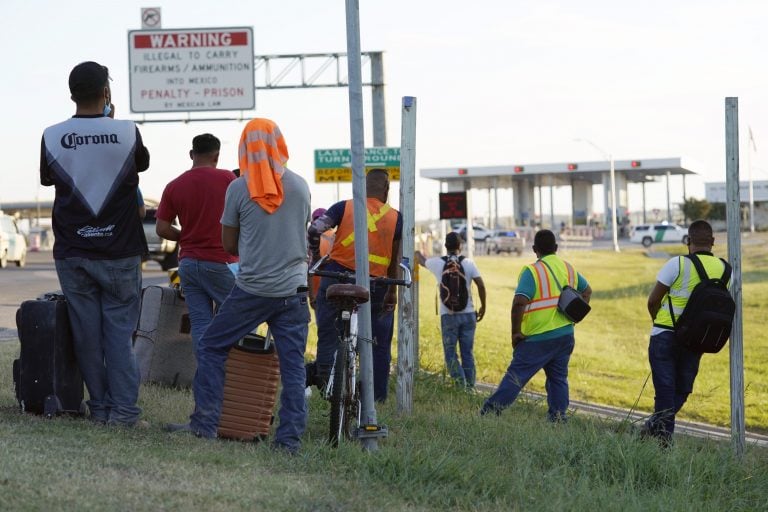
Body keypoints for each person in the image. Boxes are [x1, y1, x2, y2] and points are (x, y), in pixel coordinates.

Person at [166, 118, 311, 454]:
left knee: (213, 346)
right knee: (292, 367)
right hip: (293, 291)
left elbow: (229, 245)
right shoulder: (301, 186)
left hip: (252, 290)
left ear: (245, 148)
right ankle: (288, 441)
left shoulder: (238, 187)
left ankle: (205, 424)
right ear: (280, 145)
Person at [39, 61, 150, 426]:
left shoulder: (51, 135)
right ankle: (125, 413)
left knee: (87, 334)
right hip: (120, 252)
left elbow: (47, 179)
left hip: (73, 251)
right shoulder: (128, 132)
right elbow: (141, 165)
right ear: (106, 92)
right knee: (119, 334)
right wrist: (111, 121)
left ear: (71, 94)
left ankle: (99, 408)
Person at [307, 169, 402, 402]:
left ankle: (326, 387)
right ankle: (377, 396)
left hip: (336, 278)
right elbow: (395, 260)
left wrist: (315, 251)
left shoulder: (343, 207)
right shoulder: (396, 218)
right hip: (375, 284)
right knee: (378, 341)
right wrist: (392, 291)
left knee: (329, 333)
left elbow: (314, 229)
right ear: (386, 191)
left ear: (360, 187)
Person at [480, 229, 591, 421]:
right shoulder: (568, 268)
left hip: (537, 338)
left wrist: (515, 332)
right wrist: (574, 317)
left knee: (515, 377)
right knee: (558, 379)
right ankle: (558, 418)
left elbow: (519, 303)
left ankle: (489, 413)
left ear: (534, 249)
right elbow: (587, 291)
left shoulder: (532, 271)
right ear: (556, 248)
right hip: (564, 336)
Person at [642, 220, 726, 446]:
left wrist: (660, 322)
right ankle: (663, 443)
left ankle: (653, 430)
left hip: (665, 335)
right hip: (696, 340)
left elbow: (653, 301)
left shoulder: (676, 264)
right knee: (682, 389)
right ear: (713, 242)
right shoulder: (725, 269)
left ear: (688, 241)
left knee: (665, 390)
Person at [155, 134, 238, 349]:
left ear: (191, 154)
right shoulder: (228, 179)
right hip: (222, 263)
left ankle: (205, 377)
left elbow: (162, 228)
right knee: (237, 320)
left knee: (200, 323)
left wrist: (187, 236)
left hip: (189, 264)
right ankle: (231, 376)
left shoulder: (174, 185)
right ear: (217, 156)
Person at [415, 232, 486, 389]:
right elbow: (480, 284)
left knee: (450, 354)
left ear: (445, 246)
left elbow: (421, 261)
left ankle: (460, 387)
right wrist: (483, 307)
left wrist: (417, 253)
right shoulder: (468, 263)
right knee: (467, 353)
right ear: (460, 246)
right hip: (468, 314)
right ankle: (470, 387)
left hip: (448, 315)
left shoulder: (438, 263)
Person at [308, 207, 336, 308]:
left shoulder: (310, 239)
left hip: (316, 289)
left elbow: (309, 268)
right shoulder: (336, 237)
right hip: (334, 287)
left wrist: (311, 296)